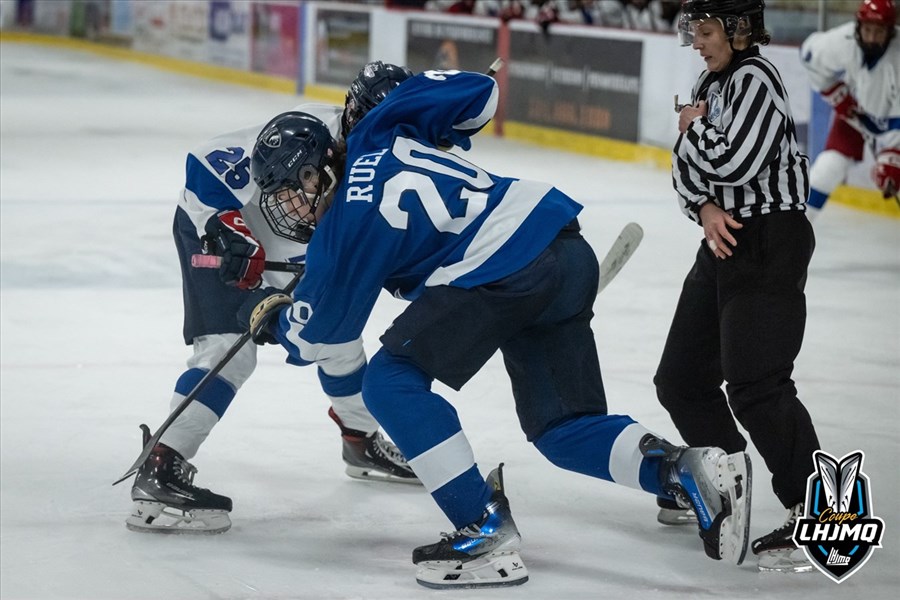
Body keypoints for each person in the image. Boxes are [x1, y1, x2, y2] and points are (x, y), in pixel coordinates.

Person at [239, 68, 752, 589]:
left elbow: (319, 337)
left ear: (319, 168)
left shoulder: (344, 228)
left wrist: (276, 317)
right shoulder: (384, 130)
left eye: (293, 189)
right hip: (564, 248)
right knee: (561, 427)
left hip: (502, 270)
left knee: (390, 381)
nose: (292, 208)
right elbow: (481, 95)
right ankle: (687, 473)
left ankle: (482, 528)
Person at [126, 62, 420, 536]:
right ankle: (161, 464)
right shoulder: (304, 132)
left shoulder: (398, 158)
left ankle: (361, 442)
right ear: (353, 112)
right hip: (230, 230)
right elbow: (206, 163)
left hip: (300, 241)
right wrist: (225, 227)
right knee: (227, 351)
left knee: (338, 338)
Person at [654, 0, 820, 573]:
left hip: (770, 240)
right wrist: (701, 206)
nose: (697, 42)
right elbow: (683, 170)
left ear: (740, 29)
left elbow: (733, 163)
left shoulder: (756, 79)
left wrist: (693, 129)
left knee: (757, 385)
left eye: (705, 30)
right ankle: (726, 487)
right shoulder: (711, 81)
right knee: (680, 380)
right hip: (722, 240)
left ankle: (824, 516)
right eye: (693, 31)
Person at [801, 0, 899, 221]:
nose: (872, 38)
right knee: (828, 168)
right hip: (854, 115)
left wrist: (894, 154)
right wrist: (834, 91)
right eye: (867, 30)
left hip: (893, 121)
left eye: (879, 31)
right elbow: (808, 54)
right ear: (858, 28)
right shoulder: (843, 41)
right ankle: (796, 231)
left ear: (891, 32)